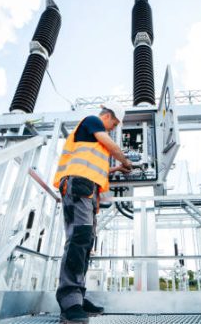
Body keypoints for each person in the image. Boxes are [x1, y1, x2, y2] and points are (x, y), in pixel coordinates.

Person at [53, 102, 132, 323]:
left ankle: (77, 296)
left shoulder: (92, 140)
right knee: (79, 239)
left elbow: (98, 167)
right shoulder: (93, 121)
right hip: (79, 186)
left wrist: (116, 168)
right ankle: (70, 302)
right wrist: (125, 161)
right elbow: (112, 146)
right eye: (114, 123)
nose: (113, 128)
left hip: (87, 189)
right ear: (107, 115)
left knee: (85, 243)